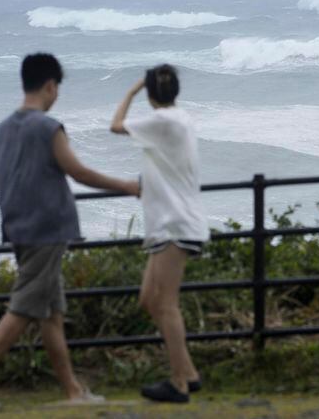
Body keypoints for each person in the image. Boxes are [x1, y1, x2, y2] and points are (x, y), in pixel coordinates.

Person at [0, 53, 140, 409]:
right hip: (47, 228)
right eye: (57, 89)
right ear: (50, 85)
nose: (57, 96)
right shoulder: (48, 127)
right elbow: (77, 172)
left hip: (17, 227)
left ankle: (73, 391)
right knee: (23, 307)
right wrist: (127, 186)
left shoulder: (0, 129)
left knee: (51, 313)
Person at [110, 64, 209, 404]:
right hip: (171, 220)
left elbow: (115, 126)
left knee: (165, 304)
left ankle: (179, 384)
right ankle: (190, 373)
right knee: (150, 300)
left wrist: (129, 92)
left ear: (151, 93)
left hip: (174, 223)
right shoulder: (180, 119)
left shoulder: (162, 122)